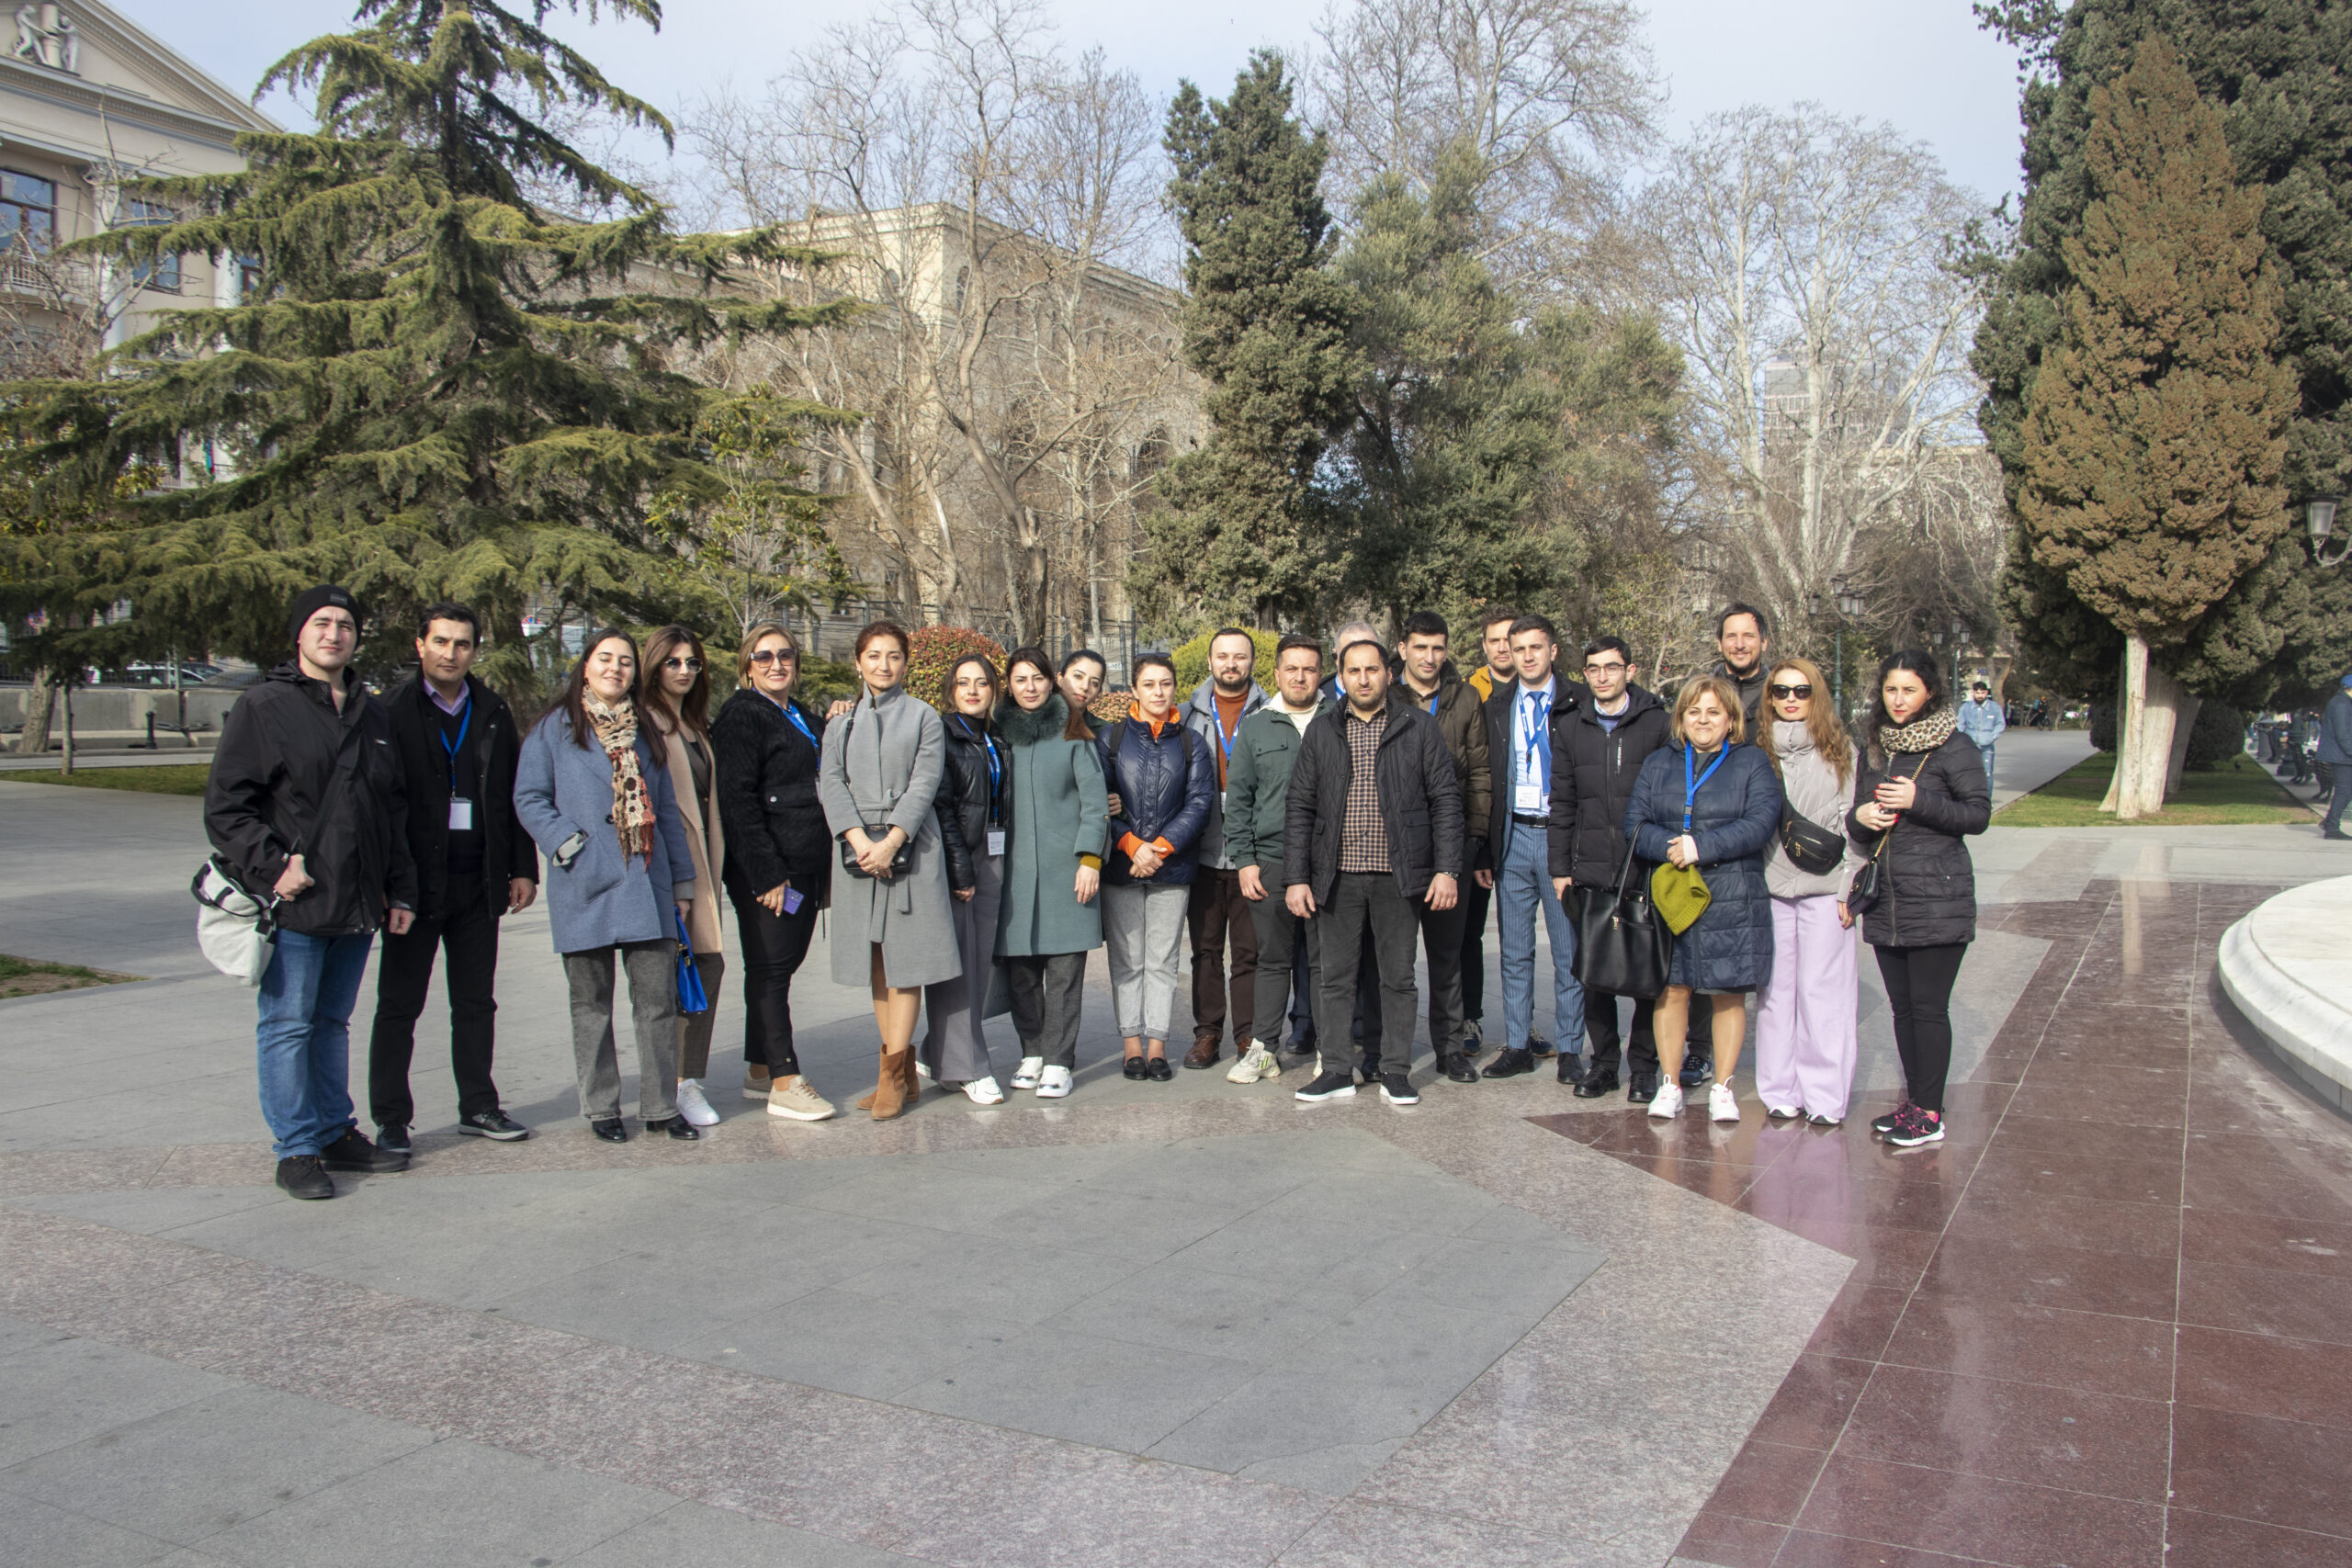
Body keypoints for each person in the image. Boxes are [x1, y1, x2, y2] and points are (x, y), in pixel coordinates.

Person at [206, 585, 418, 1200]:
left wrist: (398, 888)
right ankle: (296, 1147)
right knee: (288, 1023)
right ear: (299, 634)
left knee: (331, 1021)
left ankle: (334, 1130)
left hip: (358, 899)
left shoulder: (372, 712)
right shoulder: (264, 706)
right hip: (297, 899)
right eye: (321, 623)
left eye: (345, 624)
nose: (334, 633)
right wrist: (274, 866)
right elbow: (226, 807)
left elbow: (391, 808)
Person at [514, 629, 699, 1143]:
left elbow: (664, 811)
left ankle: (661, 1106)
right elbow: (529, 797)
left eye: (625, 662)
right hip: (585, 882)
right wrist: (569, 844)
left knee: (658, 1003)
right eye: (605, 659)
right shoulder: (554, 729)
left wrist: (681, 882)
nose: (616, 669)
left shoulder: (645, 731)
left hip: (646, 881)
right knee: (590, 1005)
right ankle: (601, 1108)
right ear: (586, 666)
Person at [366, 603, 537, 1154]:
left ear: (474, 651)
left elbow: (512, 794)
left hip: (476, 882)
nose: (450, 653)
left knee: (475, 1003)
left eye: (462, 644)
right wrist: (394, 885)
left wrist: (521, 868)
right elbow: (381, 806)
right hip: (413, 889)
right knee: (399, 1006)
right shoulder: (389, 710)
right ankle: (392, 1119)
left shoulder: (490, 709)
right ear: (420, 645)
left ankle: (479, 1106)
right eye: (441, 641)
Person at [1284, 637, 1464, 1106]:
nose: (1363, 679)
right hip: (1336, 876)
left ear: (1389, 672)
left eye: (1372, 669)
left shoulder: (1418, 727)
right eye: (1353, 671)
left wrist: (1447, 869)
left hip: (1398, 876)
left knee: (1397, 979)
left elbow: (1446, 800)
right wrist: (1297, 877)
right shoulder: (1323, 731)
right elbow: (1300, 806)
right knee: (1335, 979)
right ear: (1340, 676)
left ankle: (1396, 1070)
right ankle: (1337, 1069)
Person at [1623, 675, 1781, 1122]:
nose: (1703, 720)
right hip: (1673, 893)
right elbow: (1635, 822)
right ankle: (1670, 1085)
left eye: (1713, 712)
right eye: (1694, 712)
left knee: (1727, 993)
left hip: (1731, 894)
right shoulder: (1660, 763)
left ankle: (1722, 1088)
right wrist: (1671, 845)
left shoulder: (1752, 763)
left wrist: (1703, 847)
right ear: (1681, 718)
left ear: (1730, 719)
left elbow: (1761, 821)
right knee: (1672, 990)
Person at [1850, 651, 1991, 1148]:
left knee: (1929, 1009)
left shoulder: (1955, 747)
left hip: (1938, 897)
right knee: (1903, 1009)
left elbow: (1977, 815)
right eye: (1891, 690)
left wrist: (1919, 801)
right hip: (1888, 899)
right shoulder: (1875, 749)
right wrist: (1861, 817)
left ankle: (1930, 1113)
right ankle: (1914, 1103)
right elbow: (1855, 820)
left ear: (1929, 691)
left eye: (1909, 690)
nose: (1899, 700)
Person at [820, 621, 960, 1122]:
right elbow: (831, 784)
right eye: (874, 656)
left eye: (894, 655)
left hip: (911, 852)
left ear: (906, 662)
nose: (884, 665)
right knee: (877, 959)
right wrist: (860, 841)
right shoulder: (840, 722)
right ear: (858, 662)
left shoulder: (924, 717)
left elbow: (926, 782)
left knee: (907, 962)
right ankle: (896, 1071)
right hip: (858, 856)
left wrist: (892, 840)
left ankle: (893, 1077)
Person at [709, 624, 836, 1122]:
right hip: (771, 870)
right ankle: (785, 1078)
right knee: (772, 969)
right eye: (764, 657)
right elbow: (737, 801)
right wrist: (766, 876)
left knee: (777, 964)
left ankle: (759, 1068)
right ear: (747, 666)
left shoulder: (798, 714)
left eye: (785, 655)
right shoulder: (743, 713)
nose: (776, 664)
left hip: (803, 862)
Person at [1546, 636, 1669, 1100]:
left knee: (1644, 976)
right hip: (1590, 869)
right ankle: (1603, 1064)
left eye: (1611, 668)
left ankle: (1643, 1067)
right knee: (1594, 973)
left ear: (1630, 671)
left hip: (1645, 867)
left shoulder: (1656, 722)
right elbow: (1563, 802)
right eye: (1593, 668)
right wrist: (1560, 867)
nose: (1602, 676)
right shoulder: (1573, 724)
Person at [1753, 658, 1868, 1126]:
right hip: (1771, 886)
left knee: (1825, 996)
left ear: (1816, 694)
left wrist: (1849, 887)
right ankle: (1779, 1090)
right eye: (1781, 691)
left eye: (1801, 691)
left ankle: (1825, 1097)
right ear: (1770, 698)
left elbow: (1853, 823)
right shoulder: (1756, 751)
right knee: (1775, 995)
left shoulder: (1841, 751)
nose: (1791, 699)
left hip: (1826, 889)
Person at [996, 648, 1108, 1099]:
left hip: (1068, 870)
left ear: (1051, 681)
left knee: (1064, 970)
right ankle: (1033, 1050)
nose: (1030, 687)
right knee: (1020, 968)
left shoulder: (1072, 731)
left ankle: (1060, 1059)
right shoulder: (998, 731)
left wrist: (1089, 859)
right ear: (1009, 684)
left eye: (1037, 678)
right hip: (1012, 871)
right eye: (1020, 679)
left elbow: (1095, 801)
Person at [1098, 653, 1215, 1078]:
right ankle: (1132, 1045)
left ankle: (1158, 1046)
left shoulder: (1191, 742)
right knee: (1127, 959)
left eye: (1165, 683)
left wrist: (1160, 848)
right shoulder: (1110, 740)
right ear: (1134, 689)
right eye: (1149, 684)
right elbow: (1098, 801)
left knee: (1163, 961)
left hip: (1172, 868)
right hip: (1122, 868)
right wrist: (1132, 845)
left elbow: (1200, 803)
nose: (1158, 692)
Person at [1224, 633, 1330, 1084]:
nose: (1300, 676)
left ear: (1320, 673)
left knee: (1329, 962)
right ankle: (1263, 1047)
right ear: (1277, 674)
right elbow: (1239, 800)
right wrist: (1244, 860)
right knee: (1272, 960)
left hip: (1330, 864)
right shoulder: (1256, 725)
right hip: (1269, 861)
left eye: (1308, 668)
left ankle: (1334, 1051)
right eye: (1292, 668)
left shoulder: (1340, 719)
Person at [1478, 615, 1582, 1078]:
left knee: (1568, 950)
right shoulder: (1497, 706)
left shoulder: (1579, 702)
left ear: (1553, 651)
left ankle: (1572, 1049)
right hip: (1514, 836)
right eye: (1518, 649)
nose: (1526, 656)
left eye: (1536, 648)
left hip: (1562, 836)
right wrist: (1484, 847)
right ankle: (1517, 1044)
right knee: (1515, 949)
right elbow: (1484, 779)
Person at [1391, 612, 1491, 1083]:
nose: (1430, 657)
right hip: (1395, 849)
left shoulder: (1466, 698)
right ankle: (1385, 1050)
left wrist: (1474, 844)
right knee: (1392, 958)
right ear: (1403, 647)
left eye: (1438, 648)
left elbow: (1480, 776)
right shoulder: (1387, 696)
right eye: (1421, 647)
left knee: (1447, 956)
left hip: (1451, 848)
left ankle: (1451, 1050)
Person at [637, 626, 729, 1128]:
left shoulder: (693, 723)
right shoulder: (646, 722)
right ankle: (675, 1085)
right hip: (673, 870)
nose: (684, 672)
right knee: (683, 974)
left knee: (704, 970)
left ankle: (683, 1081)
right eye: (673, 663)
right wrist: (678, 884)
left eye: (692, 663)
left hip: (703, 870)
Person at [922, 654, 1012, 1104]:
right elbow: (941, 807)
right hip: (961, 860)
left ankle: (937, 1051)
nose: (973, 690)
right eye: (963, 683)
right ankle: (969, 1066)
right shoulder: (943, 733)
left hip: (993, 855)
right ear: (950, 690)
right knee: (961, 970)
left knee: (980, 965)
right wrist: (960, 868)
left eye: (981, 683)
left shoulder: (992, 736)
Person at [1180, 628, 1266, 1069]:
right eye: (1223, 656)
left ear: (1252, 661)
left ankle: (1249, 1037)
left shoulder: (1271, 712)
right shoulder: (1186, 715)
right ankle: (1207, 1033)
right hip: (1203, 853)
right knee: (1206, 951)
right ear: (1210, 662)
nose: (1231, 664)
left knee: (1250, 953)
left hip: (1254, 856)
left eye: (1239, 657)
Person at [1456, 603, 1521, 1055]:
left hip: (1527, 831)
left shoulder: (1548, 691)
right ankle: (1470, 1017)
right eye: (1495, 640)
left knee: (1520, 940)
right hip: (1480, 831)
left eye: (1511, 640)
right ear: (1484, 645)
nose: (1503, 648)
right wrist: (1477, 846)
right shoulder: (1467, 693)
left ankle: (1524, 1024)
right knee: (1469, 933)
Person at [2318, 669, 2352, 840]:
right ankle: (2331, 828)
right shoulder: (2341, 705)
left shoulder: (2343, 703)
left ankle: (2329, 822)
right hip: (2342, 756)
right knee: (2344, 791)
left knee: (2346, 791)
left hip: (2341, 755)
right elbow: (2343, 733)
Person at [1956, 680, 2006, 791]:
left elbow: (2000, 723)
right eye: (1977, 693)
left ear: (1986, 692)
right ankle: (1970, 800)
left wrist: (1992, 737)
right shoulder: (1965, 707)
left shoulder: (1994, 707)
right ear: (1973, 692)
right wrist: (1962, 740)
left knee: (1987, 774)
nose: (1980, 695)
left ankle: (1987, 801)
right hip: (1969, 747)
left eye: (1982, 693)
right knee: (1968, 774)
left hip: (1986, 747)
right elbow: (1960, 725)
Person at [1059, 649, 1109, 735]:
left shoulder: (1106, 732)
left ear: (1098, 692)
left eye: (1094, 683)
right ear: (1060, 679)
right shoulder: (1033, 721)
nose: (1085, 687)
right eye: (1078, 676)